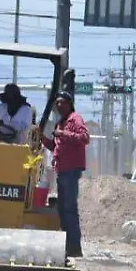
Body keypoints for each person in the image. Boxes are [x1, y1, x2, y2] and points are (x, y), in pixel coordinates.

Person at [41, 92, 90, 260]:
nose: (59, 106)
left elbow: (84, 138)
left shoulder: (74, 119)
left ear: (69, 103)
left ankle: (74, 247)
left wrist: (64, 134)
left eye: (61, 102)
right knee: (62, 208)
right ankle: (66, 245)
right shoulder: (60, 123)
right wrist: (42, 138)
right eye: (57, 103)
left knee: (69, 208)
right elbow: (54, 146)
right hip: (61, 170)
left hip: (71, 169)